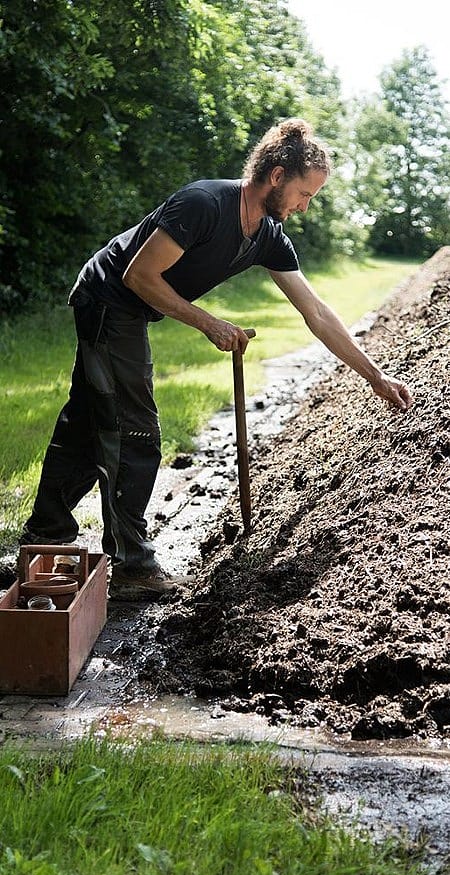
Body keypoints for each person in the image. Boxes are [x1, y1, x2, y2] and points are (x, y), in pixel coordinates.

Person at [21, 118, 413, 600]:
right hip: (108, 299)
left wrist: (374, 375)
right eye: (305, 194)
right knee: (134, 429)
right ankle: (130, 566)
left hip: (126, 308)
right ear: (276, 177)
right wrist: (209, 323)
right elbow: (139, 275)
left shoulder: (267, 234)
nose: (305, 207)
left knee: (90, 419)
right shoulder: (204, 204)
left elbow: (315, 311)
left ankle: (45, 533)